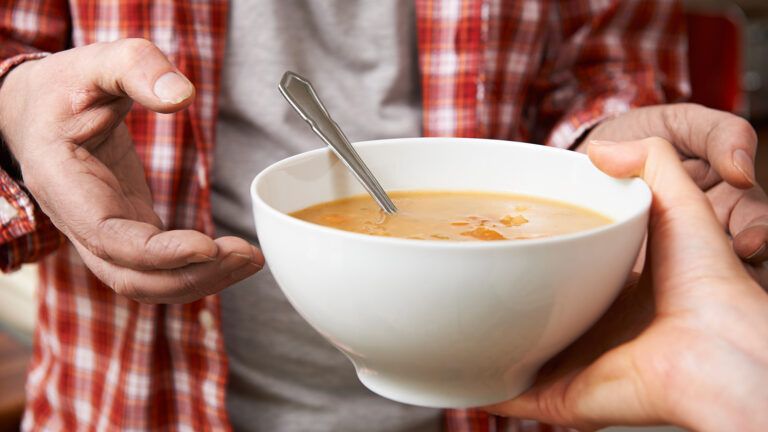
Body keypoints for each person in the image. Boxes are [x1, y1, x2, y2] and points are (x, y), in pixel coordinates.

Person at [0, 1, 765, 431]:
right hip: (132, 405)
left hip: (526, 397)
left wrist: (601, 160)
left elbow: (605, 64)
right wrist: (14, 117)